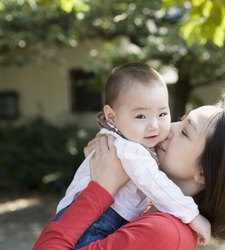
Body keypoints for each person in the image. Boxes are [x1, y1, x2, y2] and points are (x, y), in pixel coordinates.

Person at [33, 91, 225, 250]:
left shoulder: (165, 233)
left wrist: (100, 189)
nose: (167, 128)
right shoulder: (147, 205)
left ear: (203, 173)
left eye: (185, 131)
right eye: (179, 119)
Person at [52, 62, 211, 248]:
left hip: (89, 214)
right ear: (112, 117)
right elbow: (154, 182)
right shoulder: (129, 148)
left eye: (162, 114)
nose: (155, 126)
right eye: (141, 116)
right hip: (97, 219)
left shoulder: (127, 140)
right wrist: (192, 214)